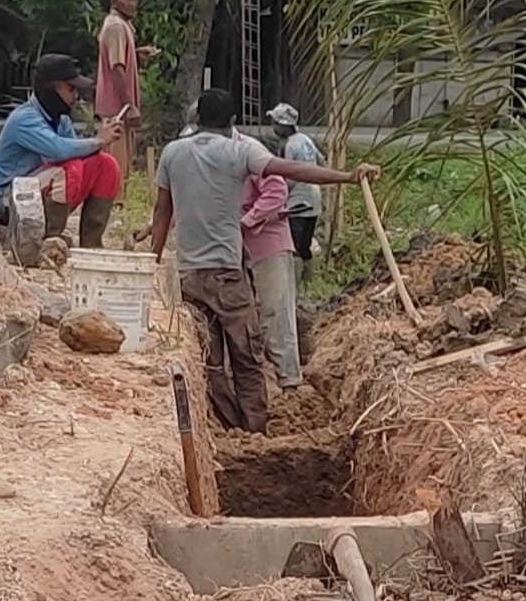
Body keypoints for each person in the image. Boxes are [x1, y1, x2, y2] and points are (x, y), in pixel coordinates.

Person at [150, 88, 379, 434]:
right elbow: (293, 171)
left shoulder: (172, 153)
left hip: (189, 275)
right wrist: (346, 177)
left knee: (209, 361)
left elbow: (163, 211)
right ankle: (254, 429)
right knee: (246, 355)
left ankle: (229, 426)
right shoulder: (239, 152)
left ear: (197, 120)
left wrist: (152, 262)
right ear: (231, 122)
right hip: (227, 274)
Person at [0, 54, 121, 248]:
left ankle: (91, 245)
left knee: (107, 166)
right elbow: (59, 150)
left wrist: (98, 143)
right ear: (53, 88)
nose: (75, 96)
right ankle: (48, 240)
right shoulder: (24, 119)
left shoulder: (61, 120)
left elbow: (77, 153)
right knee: (69, 168)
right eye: (71, 88)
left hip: (40, 190)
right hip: (11, 203)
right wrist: (99, 140)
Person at [94, 0, 160, 200]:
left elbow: (118, 59)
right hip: (116, 112)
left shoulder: (121, 27)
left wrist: (137, 54)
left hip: (117, 110)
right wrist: (129, 105)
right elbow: (117, 68)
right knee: (116, 173)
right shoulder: (115, 27)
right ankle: (114, 213)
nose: (134, 4)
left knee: (121, 170)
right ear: (115, 0)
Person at [242, 165, 303, 393]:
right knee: (242, 316)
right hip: (231, 248)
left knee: (276, 313)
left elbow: (277, 191)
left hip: (268, 244)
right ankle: (256, 382)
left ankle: (289, 383)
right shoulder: (202, 163)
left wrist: (246, 221)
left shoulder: (250, 155)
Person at [267, 102, 324, 284]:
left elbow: (288, 174)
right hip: (314, 198)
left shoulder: (289, 146)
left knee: (294, 245)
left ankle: (295, 282)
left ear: (284, 126)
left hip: (298, 201)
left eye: (275, 123)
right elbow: (321, 162)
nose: (273, 127)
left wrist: (279, 198)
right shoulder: (306, 140)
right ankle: (309, 279)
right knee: (305, 244)